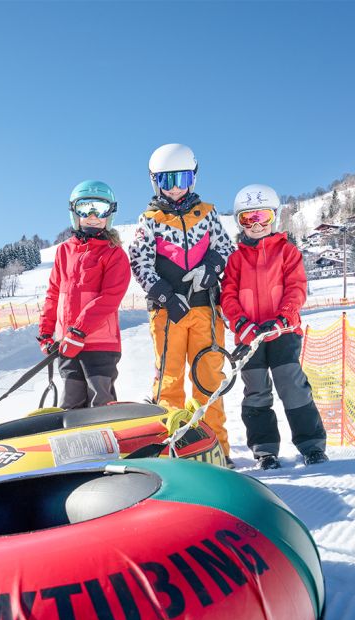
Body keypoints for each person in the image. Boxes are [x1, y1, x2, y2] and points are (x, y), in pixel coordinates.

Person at [128, 144, 235, 456]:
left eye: (182, 178)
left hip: (206, 309)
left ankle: (219, 450)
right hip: (168, 313)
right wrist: (165, 294)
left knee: (208, 379)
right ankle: (171, 449)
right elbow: (140, 263)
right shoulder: (150, 219)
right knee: (169, 381)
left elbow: (226, 249)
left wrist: (211, 268)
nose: (175, 188)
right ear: (155, 182)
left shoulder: (208, 214)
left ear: (193, 179)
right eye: (166, 180)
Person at [221, 184, 329, 469]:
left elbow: (296, 289)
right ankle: (264, 450)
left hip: (283, 333)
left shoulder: (287, 252)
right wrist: (241, 324)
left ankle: (312, 446)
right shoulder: (235, 259)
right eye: (248, 219)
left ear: (274, 217)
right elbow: (228, 296)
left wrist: (284, 318)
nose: (256, 225)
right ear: (239, 222)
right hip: (250, 338)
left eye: (262, 217)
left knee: (292, 387)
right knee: (256, 391)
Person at [38, 180, 131, 408]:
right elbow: (54, 295)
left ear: (110, 214)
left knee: (99, 401)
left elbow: (109, 298)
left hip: (99, 345)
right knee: (71, 404)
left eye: (99, 209)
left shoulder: (114, 254)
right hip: (67, 345)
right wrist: (46, 333)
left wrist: (79, 330)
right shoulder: (64, 251)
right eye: (84, 208)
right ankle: (72, 444)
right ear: (74, 212)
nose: (92, 215)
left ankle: (107, 443)